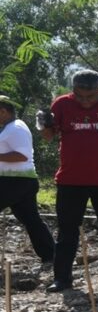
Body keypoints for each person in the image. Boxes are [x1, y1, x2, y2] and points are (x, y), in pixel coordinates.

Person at [39, 70, 98, 292]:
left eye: (90, 96)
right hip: (70, 180)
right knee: (67, 231)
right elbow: (48, 136)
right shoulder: (61, 104)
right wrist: (43, 124)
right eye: (80, 96)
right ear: (73, 90)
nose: (85, 101)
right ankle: (62, 279)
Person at [0, 95, 55, 266]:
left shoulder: (16, 128)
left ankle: (52, 255)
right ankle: (51, 256)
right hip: (18, 181)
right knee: (31, 219)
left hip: (16, 181)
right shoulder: (7, 128)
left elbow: (21, 156)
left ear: (3, 111)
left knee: (31, 219)